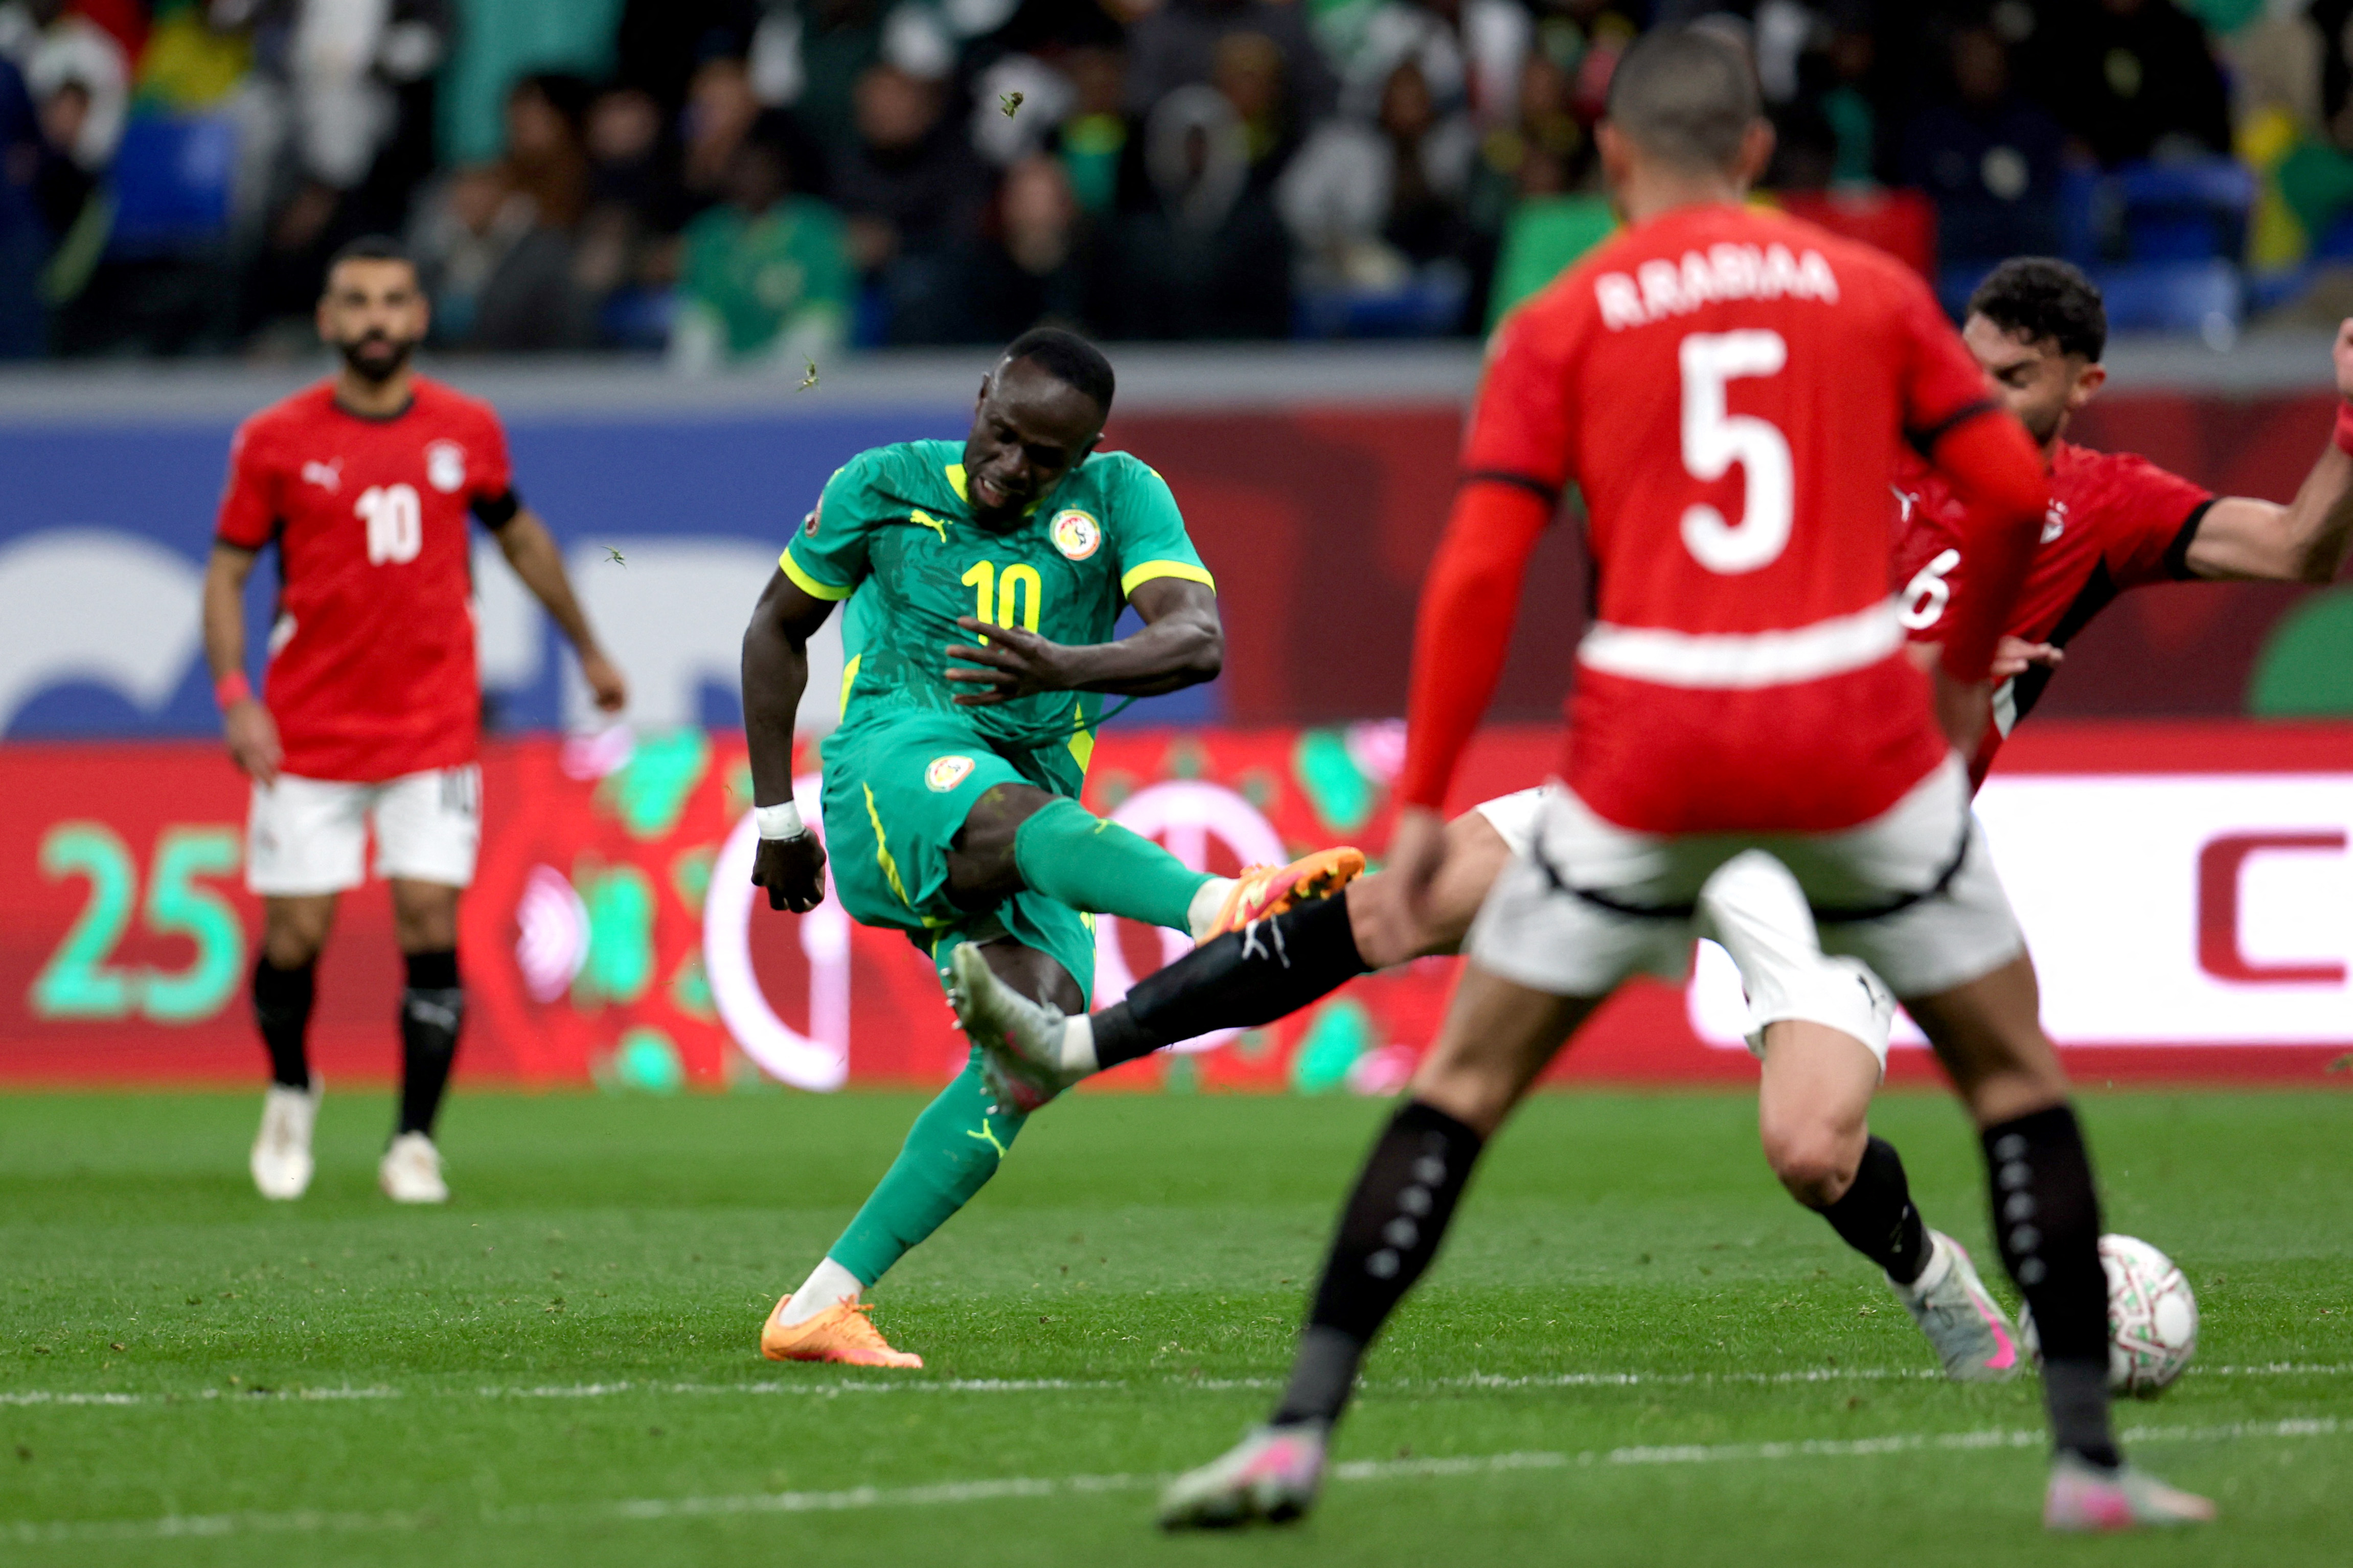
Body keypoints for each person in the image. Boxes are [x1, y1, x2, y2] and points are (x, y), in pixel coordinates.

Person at [1154, 27, 2212, 1531]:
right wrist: (1955, 668)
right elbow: (1994, 487)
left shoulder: (1564, 313)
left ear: (1609, 162)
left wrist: (1415, 803)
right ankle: (2087, 1466)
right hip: (1846, 745)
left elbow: (1474, 566)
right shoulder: (1866, 293)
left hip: (1651, 747)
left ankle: (1295, 1435)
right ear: (1761, 157)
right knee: (2014, 1080)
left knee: (1458, 1085)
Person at [738, 327, 1361, 1368]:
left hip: (1020, 817)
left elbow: (1197, 638)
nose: (1013, 467)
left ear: (1088, 450)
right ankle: (1220, 908)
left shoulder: (1119, 496)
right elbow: (775, 627)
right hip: (892, 771)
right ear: (980, 396)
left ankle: (820, 1302)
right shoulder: (882, 485)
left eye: (1046, 457)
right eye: (1003, 433)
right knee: (1006, 811)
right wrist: (776, 820)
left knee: (1033, 1044)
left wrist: (1067, 664)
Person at [205, 236, 627, 1205]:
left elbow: (517, 534)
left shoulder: (466, 429)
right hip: (307, 731)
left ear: (420, 316)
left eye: (394, 300)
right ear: (327, 319)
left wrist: (588, 646)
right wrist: (235, 696)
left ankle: (412, 1141)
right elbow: (227, 571)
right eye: (356, 301)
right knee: (295, 937)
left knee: (428, 915)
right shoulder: (274, 439)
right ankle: (290, 1083)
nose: (376, 319)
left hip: (431, 725)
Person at [1898, 257, 2353, 777]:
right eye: (1968, 366)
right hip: (1814, 757)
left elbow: (2294, 547)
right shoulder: (1877, 444)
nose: (1979, 395)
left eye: (2013, 379)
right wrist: (1949, 657)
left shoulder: (2105, 501)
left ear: (2084, 385)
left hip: (1918, 812)